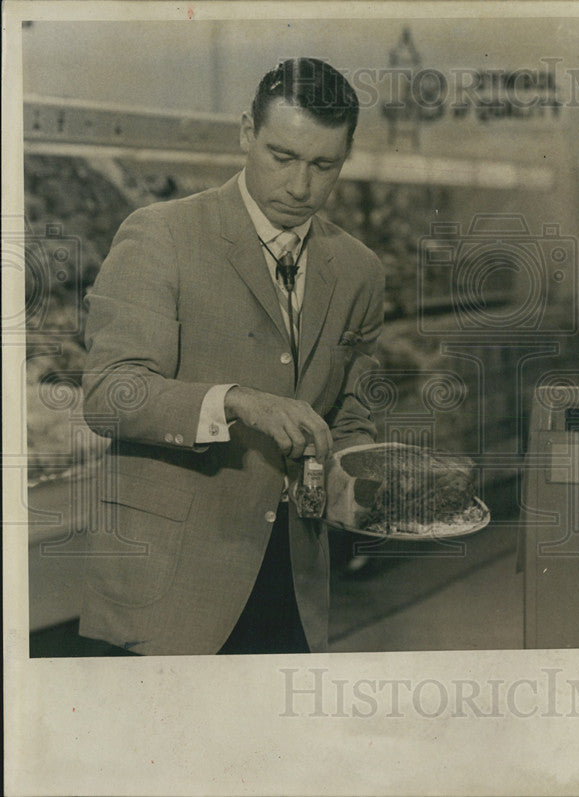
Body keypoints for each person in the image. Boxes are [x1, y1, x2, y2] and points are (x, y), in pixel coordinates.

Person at [79, 58, 385, 655]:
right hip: (168, 586)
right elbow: (110, 393)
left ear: (346, 157)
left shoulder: (359, 270)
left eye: (324, 165)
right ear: (247, 132)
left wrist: (366, 478)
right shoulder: (160, 233)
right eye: (281, 156)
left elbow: (351, 415)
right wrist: (237, 402)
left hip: (292, 586)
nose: (300, 186)